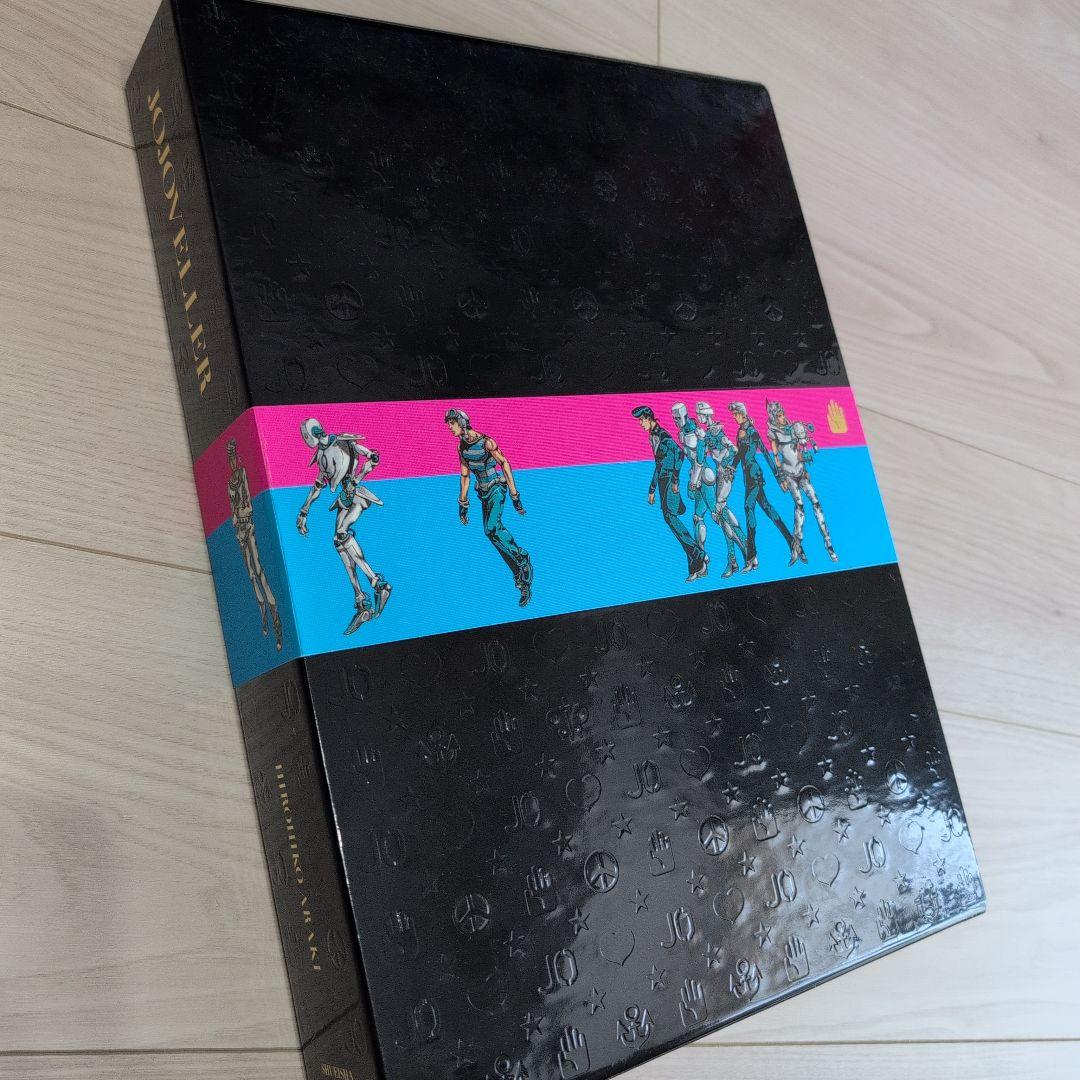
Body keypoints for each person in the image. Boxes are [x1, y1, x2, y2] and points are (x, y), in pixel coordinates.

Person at [295, 418, 391, 635]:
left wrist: (365, 468)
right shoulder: (321, 457)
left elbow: (369, 456)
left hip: (356, 495)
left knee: (341, 533)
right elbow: (318, 487)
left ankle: (378, 584)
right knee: (338, 543)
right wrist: (304, 511)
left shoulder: (342, 442)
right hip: (344, 499)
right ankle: (361, 600)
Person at [445, 408, 533, 607]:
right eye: (448, 424)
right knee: (490, 534)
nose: (450, 427)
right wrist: (463, 504)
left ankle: (522, 557)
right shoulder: (461, 447)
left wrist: (515, 496)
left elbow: (505, 464)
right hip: (483, 493)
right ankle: (520, 577)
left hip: (496, 489)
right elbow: (465, 476)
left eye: (452, 423)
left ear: (462, 422)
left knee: (492, 527)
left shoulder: (486, 442)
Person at [632, 405, 708, 582]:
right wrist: (652, 489)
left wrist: (675, 480)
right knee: (672, 522)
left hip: (669, 484)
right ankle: (697, 567)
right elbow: (658, 466)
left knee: (671, 519)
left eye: (641, 420)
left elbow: (680, 454)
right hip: (662, 483)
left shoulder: (663, 437)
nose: (640, 424)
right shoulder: (653, 437)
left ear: (648, 418)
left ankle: (699, 555)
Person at [226, 438, 282, 650]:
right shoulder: (229, 483)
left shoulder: (242, 475)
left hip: (248, 525)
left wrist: (241, 515)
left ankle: (276, 624)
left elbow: (247, 503)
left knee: (259, 571)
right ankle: (264, 619)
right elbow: (233, 508)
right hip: (239, 529)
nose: (233, 462)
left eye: (234, 457)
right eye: (230, 459)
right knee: (250, 574)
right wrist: (236, 520)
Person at [728, 401, 797, 572]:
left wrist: (779, 478)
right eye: (733, 414)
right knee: (768, 509)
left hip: (755, 476)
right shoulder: (741, 431)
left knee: (748, 508)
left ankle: (751, 557)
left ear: (742, 413)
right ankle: (793, 543)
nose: (734, 417)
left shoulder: (751, 432)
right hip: (748, 478)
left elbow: (764, 454)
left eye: (735, 414)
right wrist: (732, 466)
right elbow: (741, 454)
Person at [766, 399, 838, 562]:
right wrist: (781, 478)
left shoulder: (794, 428)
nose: (783, 417)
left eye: (783, 414)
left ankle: (828, 542)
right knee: (800, 508)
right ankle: (797, 546)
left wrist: (805, 465)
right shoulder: (774, 433)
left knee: (816, 503)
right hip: (789, 475)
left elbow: (799, 450)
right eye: (779, 415)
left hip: (800, 471)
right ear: (774, 417)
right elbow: (776, 457)